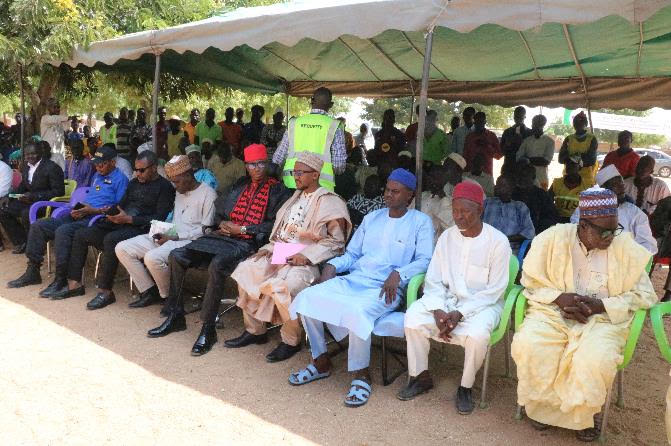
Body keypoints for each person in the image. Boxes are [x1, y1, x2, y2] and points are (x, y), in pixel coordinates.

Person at [512, 187, 656, 442]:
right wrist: (559, 298)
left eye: (615, 229)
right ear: (583, 225)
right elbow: (530, 280)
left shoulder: (624, 246)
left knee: (595, 358)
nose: (611, 237)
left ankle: (585, 415)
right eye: (604, 231)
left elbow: (644, 294)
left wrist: (602, 305)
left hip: (603, 320)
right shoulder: (552, 239)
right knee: (531, 343)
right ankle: (542, 407)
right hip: (553, 312)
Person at [289, 169, 433, 406]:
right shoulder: (372, 218)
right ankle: (321, 360)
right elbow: (353, 254)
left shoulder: (420, 222)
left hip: (386, 289)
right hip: (355, 280)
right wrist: (333, 266)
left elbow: (425, 260)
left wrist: (399, 273)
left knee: (358, 311)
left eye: (395, 191)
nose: (388, 195)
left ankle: (361, 374)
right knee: (308, 297)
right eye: (387, 190)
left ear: (410, 195)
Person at [146, 144, 290, 353]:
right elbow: (219, 212)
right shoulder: (239, 185)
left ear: (267, 164)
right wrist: (222, 223)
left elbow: (274, 225)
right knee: (177, 255)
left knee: (217, 264)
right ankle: (176, 315)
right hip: (222, 237)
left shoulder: (279, 191)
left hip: (248, 242)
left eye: (261, 164)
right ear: (246, 166)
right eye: (252, 164)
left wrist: (243, 228)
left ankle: (208, 328)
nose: (257, 169)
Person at [226, 151, 351, 362]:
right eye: (294, 172)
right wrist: (269, 247)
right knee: (247, 269)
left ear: (315, 174)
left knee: (287, 287)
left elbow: (336, 242)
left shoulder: (330, 202)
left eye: (301, 173)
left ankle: (290, 341)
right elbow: (282, 233)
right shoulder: (294, 197)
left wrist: (307, 256)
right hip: (280, 252)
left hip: (307, 261)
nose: (296, 176)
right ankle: (255, 331)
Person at [399, 181, 511, 414]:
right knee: (413, 319)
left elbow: (495, 290)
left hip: (483, 305)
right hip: (446, 300)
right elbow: (433, 279)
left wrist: (460, 313)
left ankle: (465, 388)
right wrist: (438, 309)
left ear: (480, 210)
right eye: (455, 211)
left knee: (478, 335)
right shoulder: (447, 237)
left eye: (465, 212)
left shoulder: (498, 242)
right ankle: (420, 376)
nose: (459, 217)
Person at [61, 151, 175, 309]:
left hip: (142, 228)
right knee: (81, 234)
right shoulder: (134, 183)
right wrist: (110, 213)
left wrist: (129, 219)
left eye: (142, 170)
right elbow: (121, 204)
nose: (138, 173)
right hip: (121, 222)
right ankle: (75, 284)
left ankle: (106, 291)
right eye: (136, 170)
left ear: (154, 168)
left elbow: (159, 219)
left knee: (111, 239)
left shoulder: (165, 187)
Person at [7, 145, 128, 292]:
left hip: (97, 219)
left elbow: (118, 209)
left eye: (101, 164)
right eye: (96, 164)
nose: (98, 167)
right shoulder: (97, 176)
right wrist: (79, 208)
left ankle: (61, 278)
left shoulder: (121, 180)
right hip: (81, 213)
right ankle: (33, 270)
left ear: (113, 162)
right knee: (39, 225)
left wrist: (92, 210)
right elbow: (92, 197)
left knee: (63, 231)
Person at [115, 155, 216, 306]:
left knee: (152, 258)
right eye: (172, 182)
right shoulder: (180, 190)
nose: (175, 186)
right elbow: (175, 220)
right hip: (171, 233)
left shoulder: (208, 194)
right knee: (122, 248)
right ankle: (149, 291)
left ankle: (170, 298)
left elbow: (206, 231)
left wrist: (175, 236)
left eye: (177, 182)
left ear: (188, 175)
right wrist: (162, 231)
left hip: (190, 241)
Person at [570, 164, 657, 254]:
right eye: (615, 184)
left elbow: (649, 245)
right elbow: (575, 233)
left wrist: (629, 253)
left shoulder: (635, 213)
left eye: (621, 182)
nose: (621, 187)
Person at [273, 87, 346, 191]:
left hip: (292, 183)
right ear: (331, 105)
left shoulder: (294, 123)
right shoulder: (334, 126)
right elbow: (339, 166)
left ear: (311, 101)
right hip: (320, 187)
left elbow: (277, 158)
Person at [0, 142, 65, 255]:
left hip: (46, 202)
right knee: (3, 209)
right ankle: (22, 242)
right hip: (29, 201)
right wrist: (9, 196)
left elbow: (59, 191)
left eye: (33, 153)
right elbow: (22, 186)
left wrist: (34, 196)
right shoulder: (26, 166)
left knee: (26, 213)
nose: (30, 156)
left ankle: (35, 245)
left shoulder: (52, 167)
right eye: (27, 154)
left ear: (40, 153)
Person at [483, 175, 535, 254]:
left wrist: (503, 239)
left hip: (510, 250)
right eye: (497, 184)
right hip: (486, 248)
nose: (497, 187)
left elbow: (529, 232)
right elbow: (475, 223)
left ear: (511, 188)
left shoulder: (519, 207)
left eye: (502, 185)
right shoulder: (487, 203)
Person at [513, 164, 558, 234]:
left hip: (536, 231)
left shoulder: (541, 195)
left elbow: (551, 216)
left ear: (533, 177)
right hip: (514, 231)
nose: (522, 178)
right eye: (520, 175)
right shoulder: (513, 193)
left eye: (525, 176)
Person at [558, 111, 598, 187]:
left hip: (586, 178)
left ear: (586, 124)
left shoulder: (592, 139)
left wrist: (570, 158)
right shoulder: (568, 139)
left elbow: (591, 160)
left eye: (581, 122)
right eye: (575, 122)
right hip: (569, 177)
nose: (578, 124)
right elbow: (560, 159)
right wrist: (580, 157)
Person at [516, 114, 555, 190]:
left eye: (538, 124)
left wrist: (528, 159)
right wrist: (537, 160)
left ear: (543, 125)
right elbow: (518, 158)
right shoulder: (527, 140)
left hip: (542, 178)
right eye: (534, 124)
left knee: (541, 196)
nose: (534, 126)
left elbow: (546, 161)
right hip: (527, 179)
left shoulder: (550, 142)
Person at [549, 156, 589, 223]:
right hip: (558, 219)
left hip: (577, 221)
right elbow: (548, 202)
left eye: (573, 163)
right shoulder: (557, 183)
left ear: (580, 167)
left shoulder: (587, 186)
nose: (569, 166)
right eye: (567, 163)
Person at [418, 165, 454, 240]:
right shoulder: (422, 195)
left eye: (435, 177)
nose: (430, 180)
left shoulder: (448, 202)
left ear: (443, 181)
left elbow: (449, 226)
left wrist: (443, 198)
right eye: (430, 176)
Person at [463, 112, 502, 176]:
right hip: (470, 173)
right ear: (474, 122)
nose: (479, 124)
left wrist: (487, 146)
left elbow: (498, 156)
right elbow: (465, 156)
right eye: (477, 122)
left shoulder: (491, 136)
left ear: (485, 122)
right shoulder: (469, 137)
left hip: (486, 174)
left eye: (481, 122)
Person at [501, 106, 533, 170]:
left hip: (524, 169)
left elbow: (533, 151)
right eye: (516, 117)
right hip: (509, 167)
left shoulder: (530, 133)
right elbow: (501, 151)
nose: (518, 119)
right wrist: (509, 143)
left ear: (525, 117)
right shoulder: (507, 132)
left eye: (520, 117)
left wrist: (522, 142)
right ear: (513, 117)